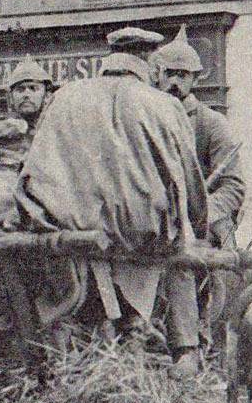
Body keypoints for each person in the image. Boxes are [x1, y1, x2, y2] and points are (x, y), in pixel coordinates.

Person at [15, 27, 206, 358]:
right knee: (183, 253)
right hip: (141, 238)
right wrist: (197, 230)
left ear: (110, 58)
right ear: (151, 65)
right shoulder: (164, 105)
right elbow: (190, 186)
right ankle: (186, 349)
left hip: (73, 235)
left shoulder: (65, 97)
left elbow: (33, 172)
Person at [153, 29, 244, 369]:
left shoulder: (211, 124)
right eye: (169, 74)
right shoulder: (149, 120)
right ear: (157, 76)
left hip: (200, 232)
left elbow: (233, 187)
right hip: (155, 226)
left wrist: (200, 217)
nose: (174, 82)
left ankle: (189, 349)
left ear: (195, 79)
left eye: (183, 75)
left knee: (184, 265)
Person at [6, 59, 56, 132]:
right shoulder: (3, 133)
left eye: (33, 88)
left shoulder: (56, 131)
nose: (26, 95)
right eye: (20, 89)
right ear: (11, 98)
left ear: (47, 96)